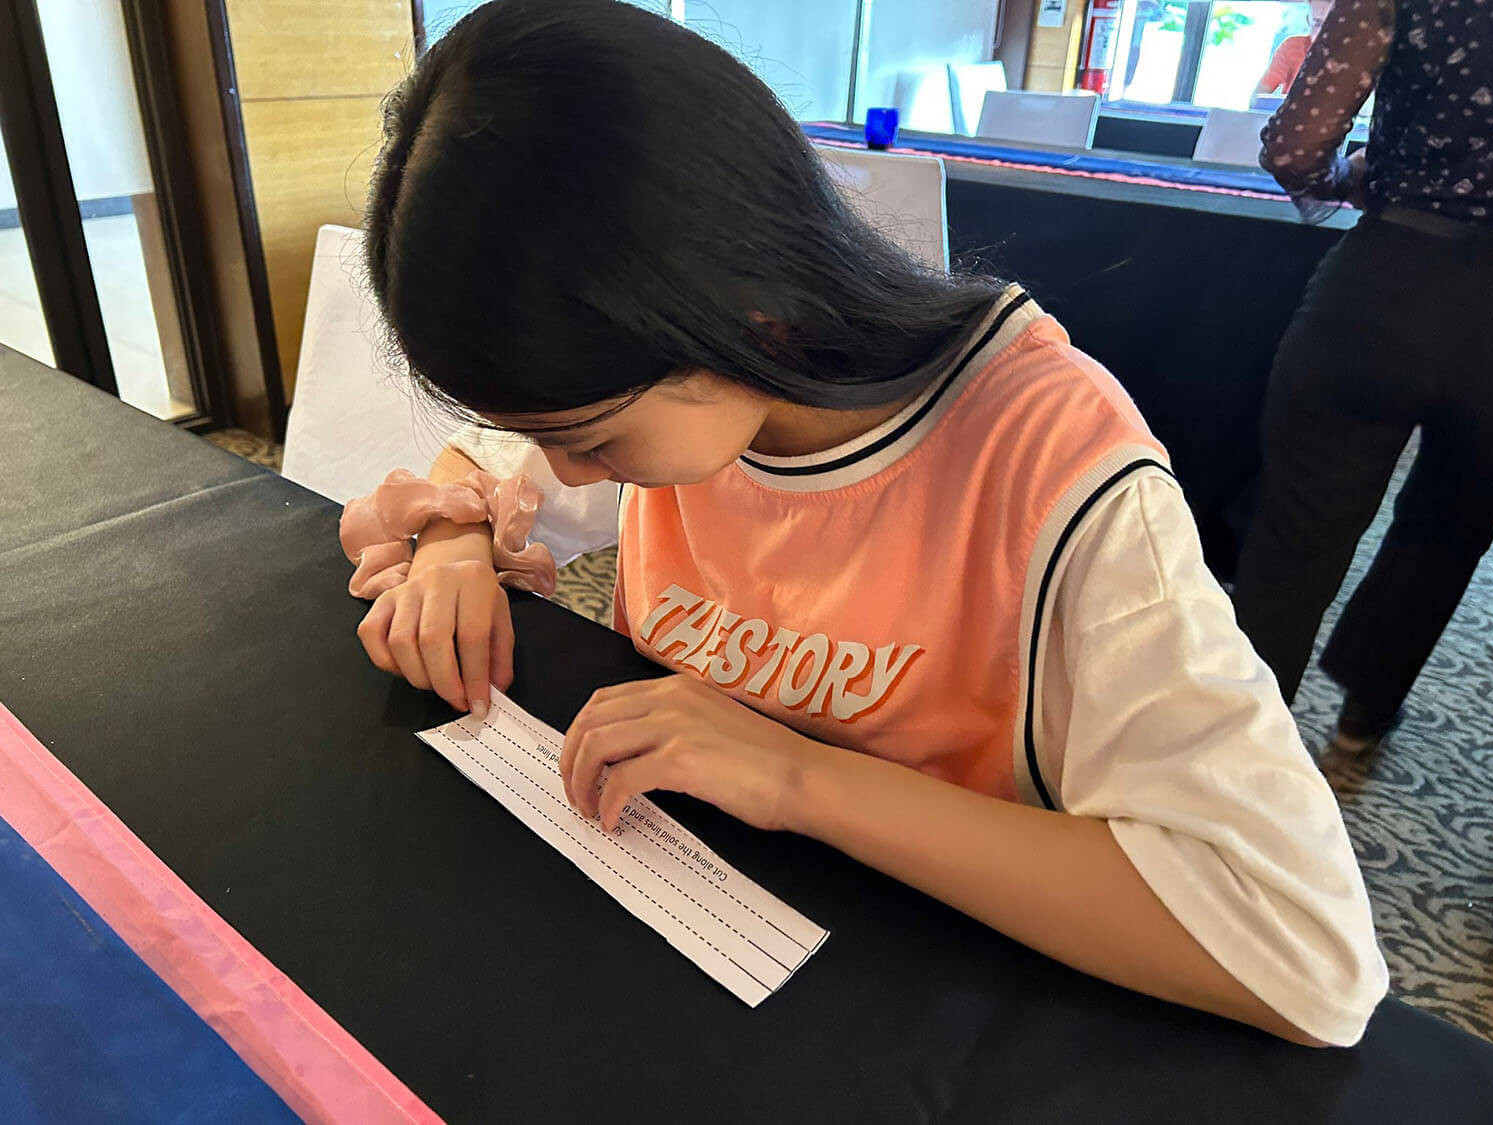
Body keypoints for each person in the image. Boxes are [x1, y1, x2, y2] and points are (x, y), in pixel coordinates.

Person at [352, 0, 1385, 1046]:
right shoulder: (700, 384)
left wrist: (796, 775)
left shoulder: (1051, 465)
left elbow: (1307, 958)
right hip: (697, 948)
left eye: (594, 439)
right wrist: (454, 544)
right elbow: (490, 464)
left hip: (933, 1010)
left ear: (748, 317)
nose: (568, 469)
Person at [1234, 0, 1493, 752]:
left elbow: (1295, 148)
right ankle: (1365, 712)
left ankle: (1235, 751)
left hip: (1384, 282)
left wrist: (1351, 176)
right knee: (1452, 525)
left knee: (1295, 539)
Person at [1253, 0, 1333, 98]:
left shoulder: (1349, 53)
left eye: (1332, 25)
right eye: (1317, 24)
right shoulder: (1292, 47)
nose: (1324, 33)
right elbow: (1259, 95)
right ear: (1308, 22)